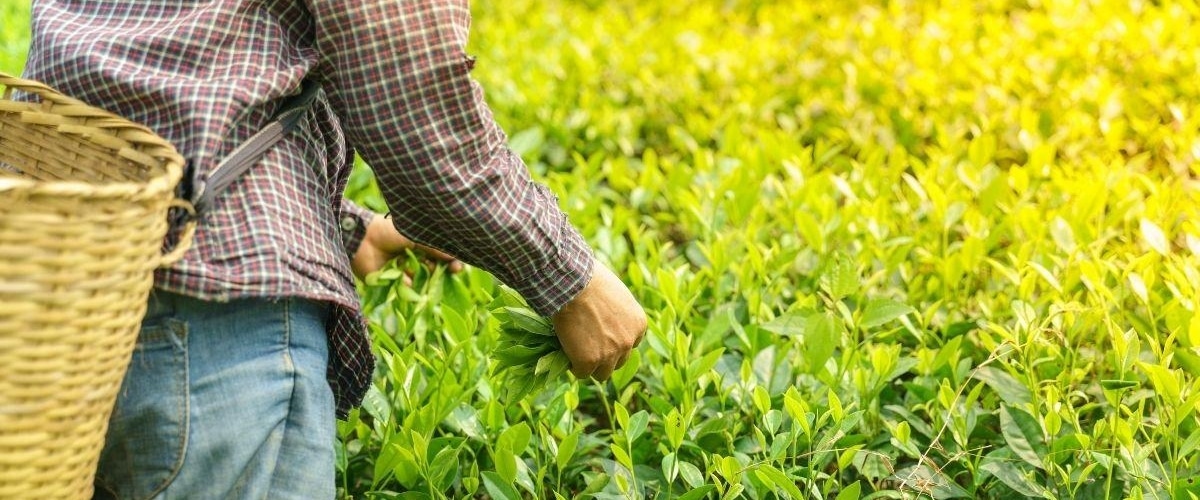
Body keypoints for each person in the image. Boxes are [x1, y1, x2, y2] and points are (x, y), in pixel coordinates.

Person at [23, 1, 647, 498]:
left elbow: (161, 70)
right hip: (221, 332)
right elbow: (419, 108)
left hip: (70, 288)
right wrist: (571, 280)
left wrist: (347, 229)